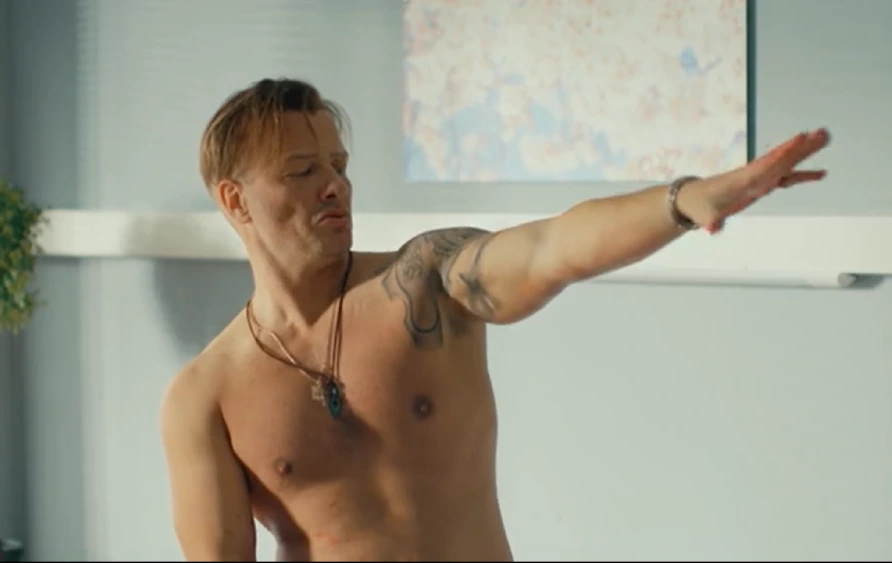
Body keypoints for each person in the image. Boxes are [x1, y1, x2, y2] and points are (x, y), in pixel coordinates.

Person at [159, 78, 830, 562]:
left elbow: (550, 248)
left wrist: (682, 202)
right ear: (235, 201)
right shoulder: (205, 395)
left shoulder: (425, 279)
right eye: (303, 170)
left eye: (338, 164)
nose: (335, 184)